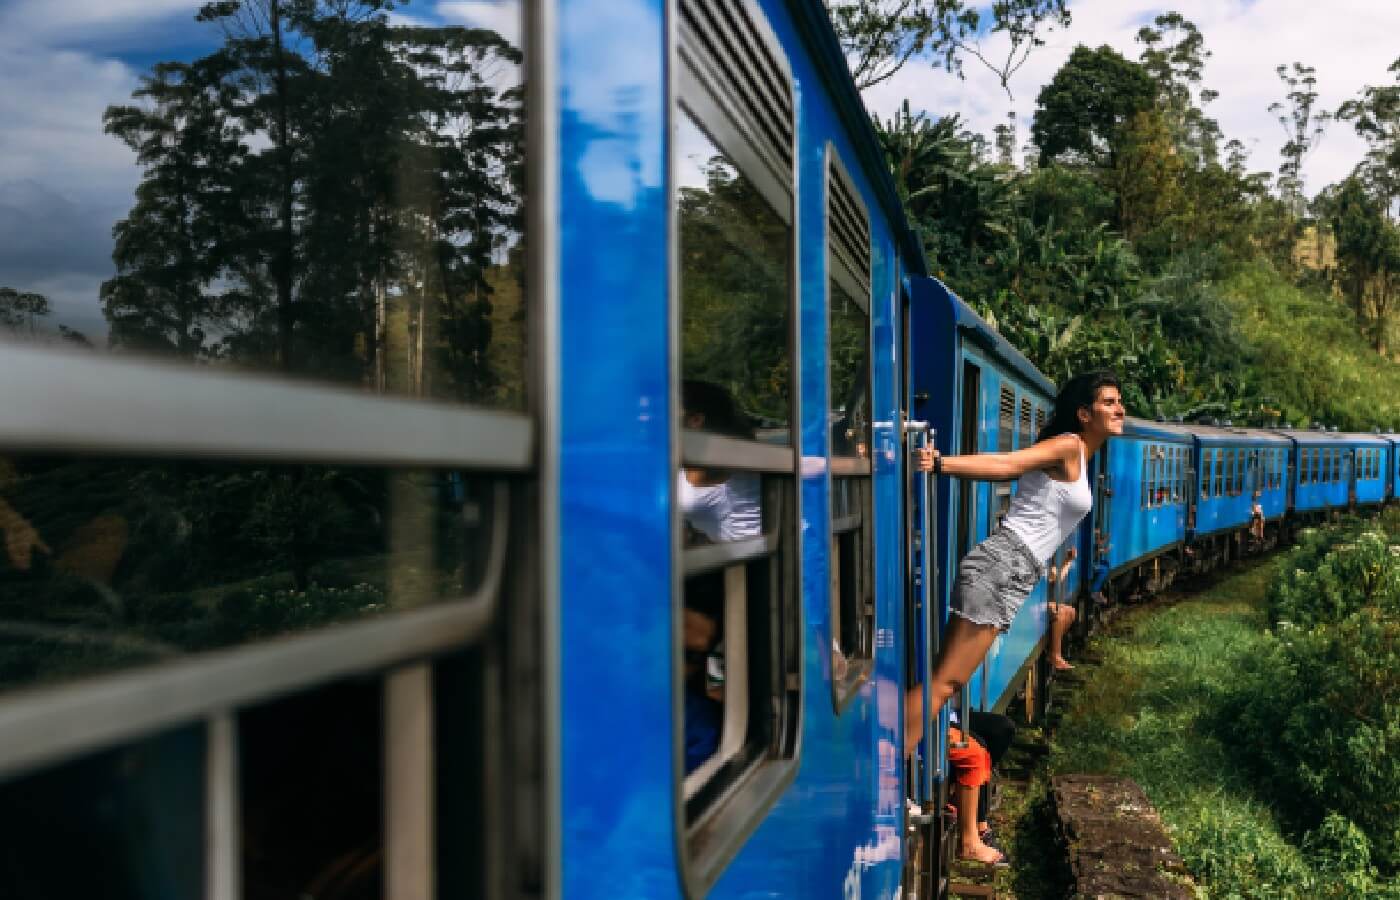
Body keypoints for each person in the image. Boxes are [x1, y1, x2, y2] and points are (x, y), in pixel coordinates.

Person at [905, 370, 1125, 756]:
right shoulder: (1068, 445)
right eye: (1108, 402)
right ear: (1084, 414)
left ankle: (890, 768)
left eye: (1119, 401)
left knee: (946, 682)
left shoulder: (1082, 455)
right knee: (945, 682)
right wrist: (940, 464)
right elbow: (1008, 464)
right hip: (1003, 564)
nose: (1119, 408)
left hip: (1013, 571)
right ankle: (886, 776)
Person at [679, 380, 761, 544]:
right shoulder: (688, 459)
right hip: (720, 556)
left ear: (695, 420)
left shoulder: (725, 460)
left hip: (748, 563)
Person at [1047, 547, 1077, 670]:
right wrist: (1067, 562)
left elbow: (1057, 577)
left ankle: (1053, 644)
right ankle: (1055, 655)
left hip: (1043, 600)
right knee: (1058, 613)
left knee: (1071, 612)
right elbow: (1054, 578)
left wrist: (1068, 561)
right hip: (1033, 601)